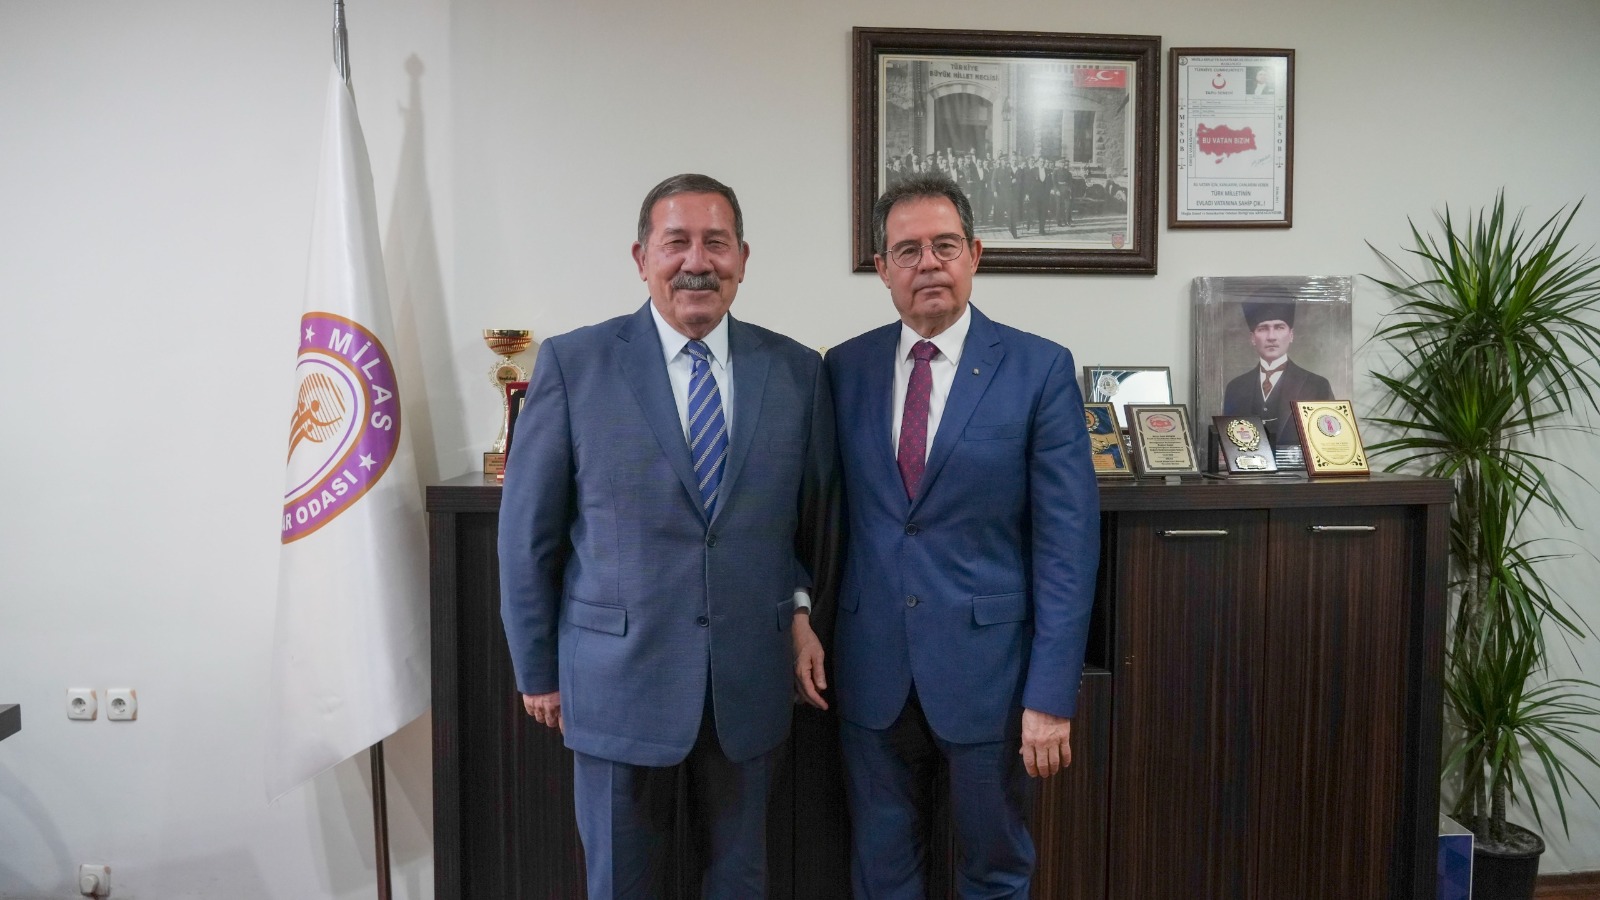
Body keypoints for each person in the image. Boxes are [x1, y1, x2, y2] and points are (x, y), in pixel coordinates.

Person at [499, 173, 832, 900]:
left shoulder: (798, 372)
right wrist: (536, 669)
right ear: (641, 256)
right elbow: (528, 536)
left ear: (743, 258)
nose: (697, 261)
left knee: (741, 883)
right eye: (676, 241)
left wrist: (801, 608)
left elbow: (805, 524)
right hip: (615, 683)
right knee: (623, 885)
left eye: (716, 242)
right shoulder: (574, 364)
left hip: (750, 684)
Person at [809, 172, 1100, 898]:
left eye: (945, 245)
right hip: (870, 672)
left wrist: (1051, 695)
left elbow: (1067, 547)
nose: (929, 264)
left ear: (975, 253)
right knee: (882, 875)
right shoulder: (843, 369)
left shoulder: (1039, 368)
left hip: (991, 677)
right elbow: (818, 514)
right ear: (882, 268)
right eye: (908, 251)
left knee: (995, 872)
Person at [1221, 299, 1334, 447]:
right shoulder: (1235, 387)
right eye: (1263, 328)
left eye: (1279, 327)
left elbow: (1328, 441)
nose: (1271, 337)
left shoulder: (1317, 385)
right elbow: (1229, 443)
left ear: (1291, 335)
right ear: (1253, 338)